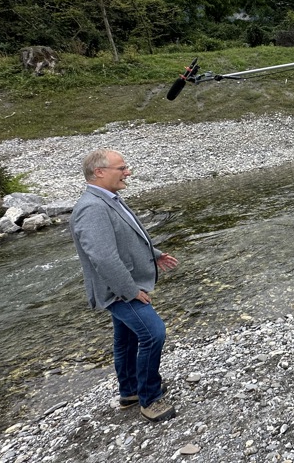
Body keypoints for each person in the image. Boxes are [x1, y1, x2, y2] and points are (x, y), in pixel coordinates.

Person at [70, 149, 180, 422]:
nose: (128, 172)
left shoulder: (107, 198)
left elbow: (127, 237)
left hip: (123, 285)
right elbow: (103, 257)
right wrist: (131, 291)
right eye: (122, 168)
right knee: (153, 333)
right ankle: (149, 398)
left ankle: (130, 391)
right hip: (118, 290)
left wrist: (154, 254)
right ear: (99, 172)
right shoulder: (92, 208)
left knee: (127, 338)